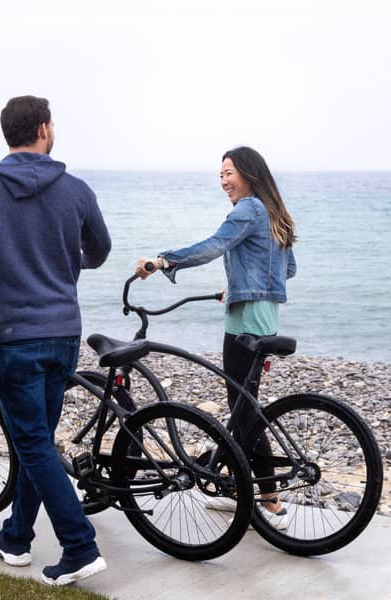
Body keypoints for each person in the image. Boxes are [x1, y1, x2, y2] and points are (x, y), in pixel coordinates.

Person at [0, 95, 111, 586]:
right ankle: (16, 536)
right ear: (43, 128)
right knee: (33, 441)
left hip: (14, 334)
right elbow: (99, 251)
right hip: (62, 332)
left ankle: (80, 547)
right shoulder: (76, 190)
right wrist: (59, 267)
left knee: (33, 443)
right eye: (53, 122)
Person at [135, 146, 296, 529]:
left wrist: (163, 260)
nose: (223, 181)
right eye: (220, 174)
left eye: (229, 172)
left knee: (245, 413)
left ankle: (269, 501)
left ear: (249, 173)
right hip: (262, 317)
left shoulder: (249, 210)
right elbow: (288, 269)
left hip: (243, 324)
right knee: (243, 407)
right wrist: (242, 285)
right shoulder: (274, 212)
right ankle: (241, 490)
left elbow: (213, 246)